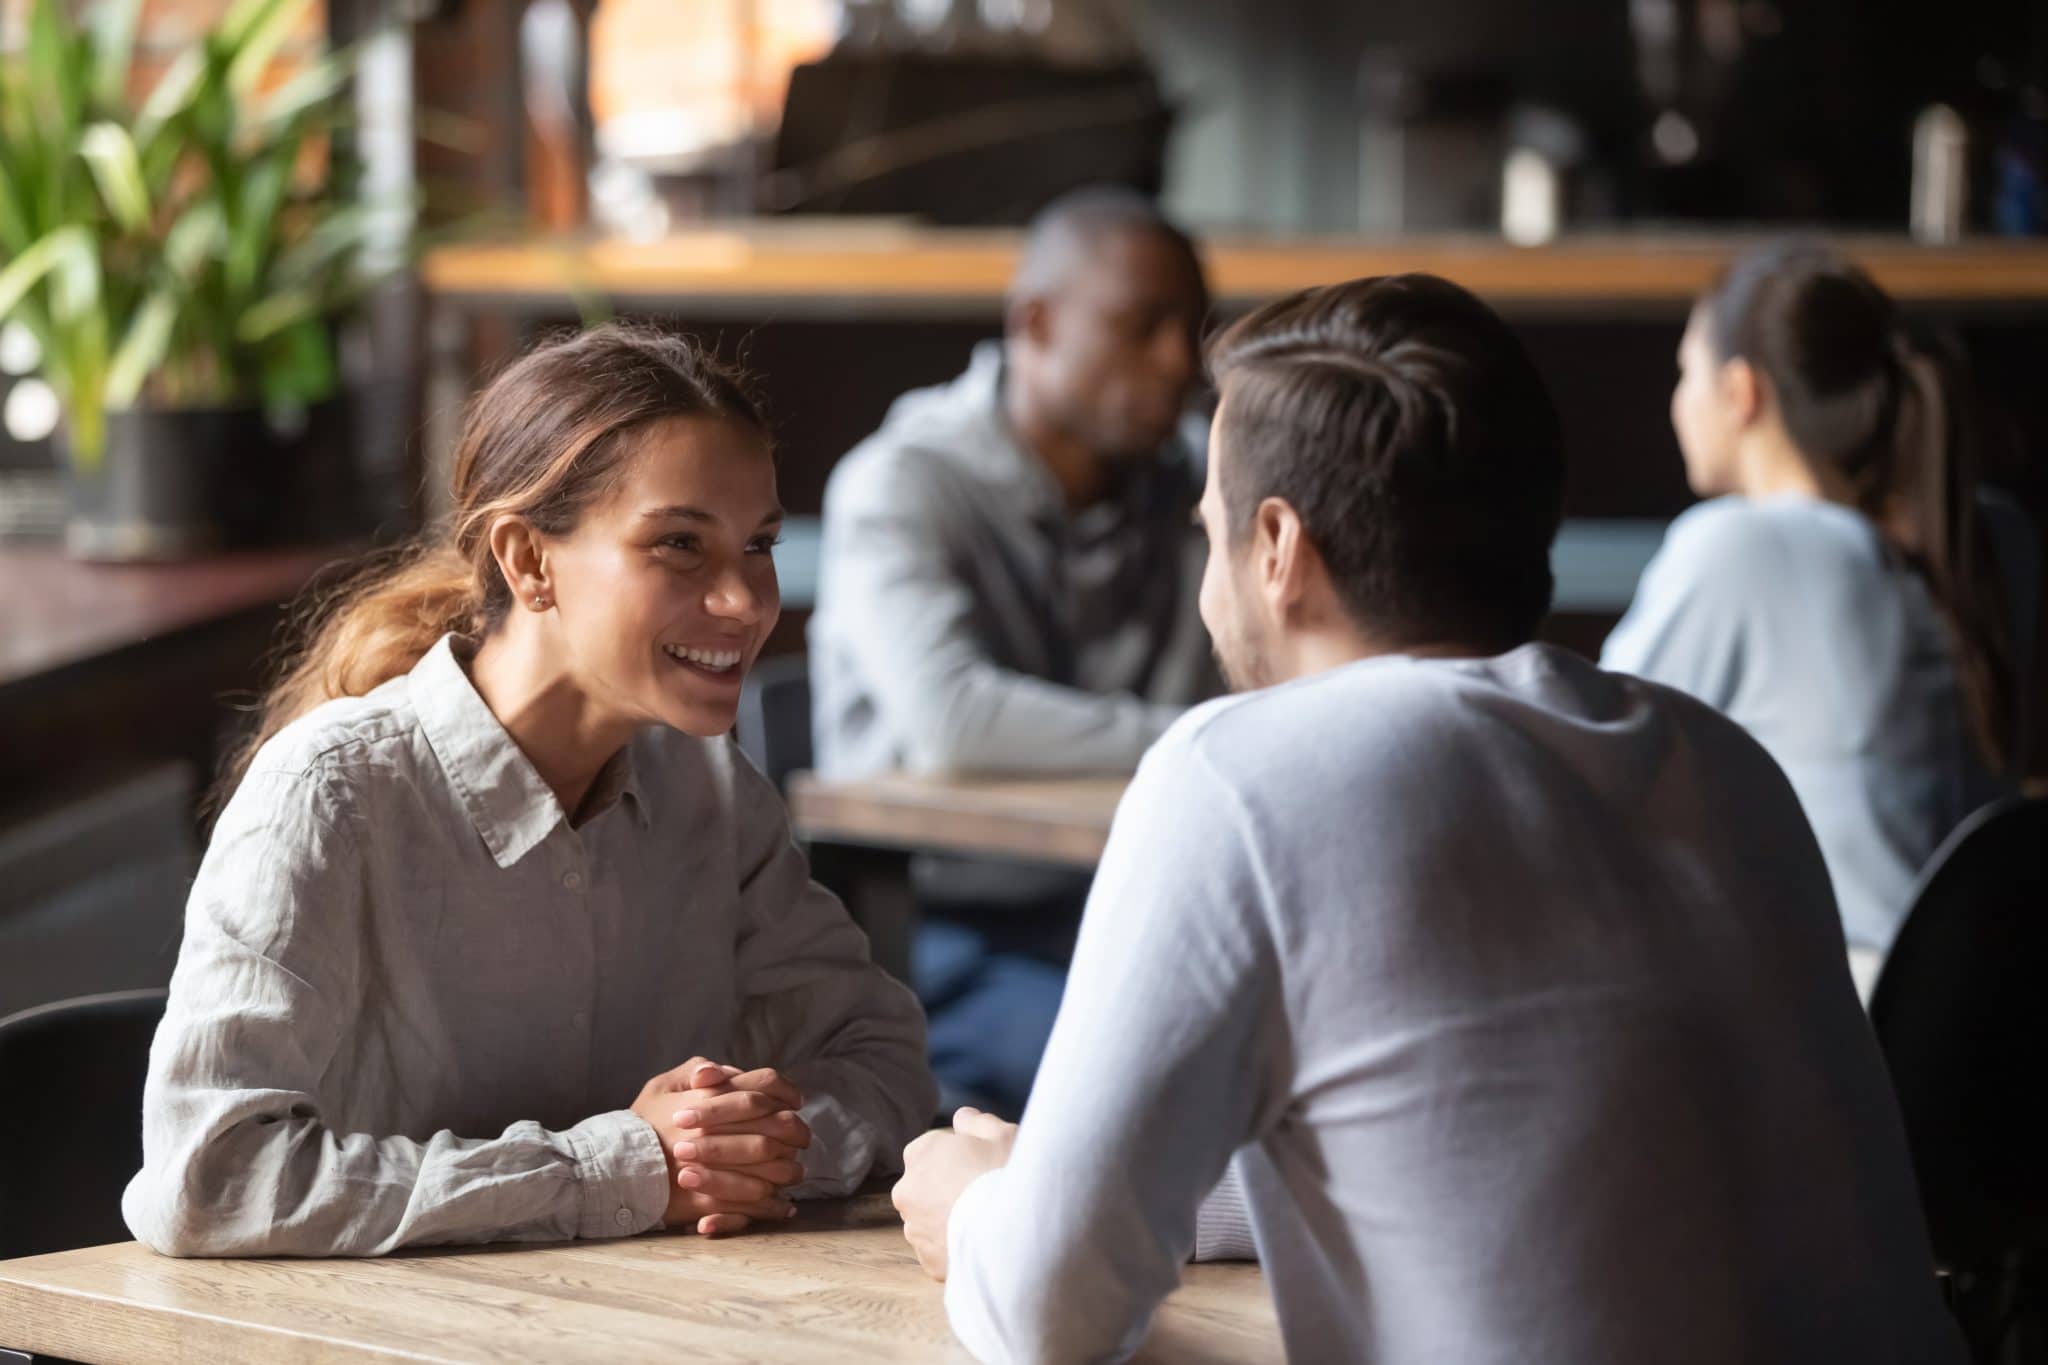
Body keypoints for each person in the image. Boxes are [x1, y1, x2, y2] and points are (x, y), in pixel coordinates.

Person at [891, 274, 1965, 1364]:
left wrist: (978, 1210)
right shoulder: (1723, 763)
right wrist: (1086, 1182)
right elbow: (1493, 1142)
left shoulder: (1237, 776)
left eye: (1207, 526)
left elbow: (1050, 1316)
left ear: (1275, 547)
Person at [123, 325, 934, 1257]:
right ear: (527, 560)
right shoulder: (330, 796)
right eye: (680, 544)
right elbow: (209, 1175)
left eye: (758, 544)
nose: (748, 600)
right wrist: (623, 1169)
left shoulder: (709, 788)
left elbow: (882, 1060)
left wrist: (743, 1153)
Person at [808, 186, 1220, 1115]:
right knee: (1167, 1093)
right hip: (947, 932)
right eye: (1142, 326)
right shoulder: (902, 481)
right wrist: (1202, 731)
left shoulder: (1197, 481)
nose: (1178, 363)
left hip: (1144, 909)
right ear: (1034, 323)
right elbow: (953, 721)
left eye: (1192, 329)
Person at [1602, 241, 2020, 981]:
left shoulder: (1742, 547)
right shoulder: (1995, 538)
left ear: (1740, 393)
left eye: (1684, 373)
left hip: (1848, 1030)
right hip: (1991, 1023)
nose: (1677, 400)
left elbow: (1579, 767)